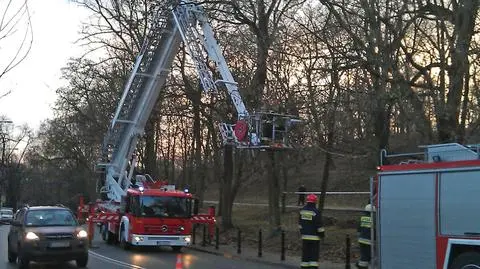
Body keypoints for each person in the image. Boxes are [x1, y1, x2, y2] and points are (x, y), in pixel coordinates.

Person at [299, 194, 325, 268]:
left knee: (305, 255)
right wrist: (322, 235)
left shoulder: (302, 211)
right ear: (315, 202)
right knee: (314, 255)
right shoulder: (316, 212)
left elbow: (300, 224)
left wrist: (302, 232)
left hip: (305, 237)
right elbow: (319, 225)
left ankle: (304, 267)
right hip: (315, 237)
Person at [356, 203, 375, 269]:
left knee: (364, 254)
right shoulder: (374, 219)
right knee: (368, 256)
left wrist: (358, 238)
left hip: (361, 240)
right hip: (369, 241)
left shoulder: (362, 218)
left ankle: (360, 264)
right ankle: (361, 266)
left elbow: (358, 230)